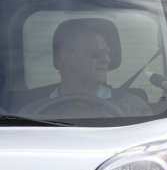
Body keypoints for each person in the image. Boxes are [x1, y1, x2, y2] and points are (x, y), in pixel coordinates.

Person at [20, 18, 152, 117]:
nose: (106, 59)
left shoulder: (133, 108)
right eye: (96, 51)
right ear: (66, 58)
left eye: (107, 51)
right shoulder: (32, 113)